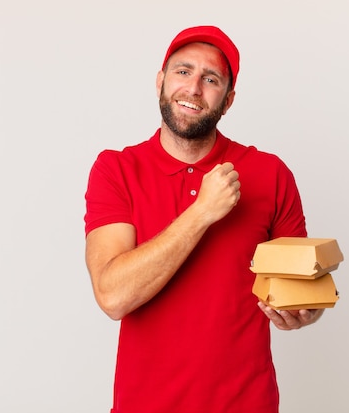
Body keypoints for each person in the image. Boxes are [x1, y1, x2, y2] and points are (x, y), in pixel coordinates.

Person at [84, 25, 324, 413]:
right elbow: (113, 296)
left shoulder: (270, 174)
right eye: (183, 72)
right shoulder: (116, 170)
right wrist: (201, 213)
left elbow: (299, 289)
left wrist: (303, 311)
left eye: (210, 79)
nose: (193, 88)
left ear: (228, 100)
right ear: (161, 80)